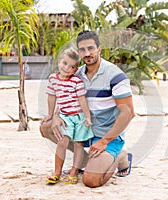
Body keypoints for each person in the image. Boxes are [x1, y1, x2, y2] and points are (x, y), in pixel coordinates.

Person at [40, 30, 135, 188]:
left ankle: (120, 156)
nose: (87, 53)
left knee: (91, 181)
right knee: (46, 127)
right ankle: (86, 161)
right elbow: (65, 99)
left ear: (99, 49)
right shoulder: (75, 74)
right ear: (78, 52)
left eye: (91, 48)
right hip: (82, 130)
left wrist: (104, 141)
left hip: (105, 135)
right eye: (82, 50)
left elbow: (129, 113)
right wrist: (56, 116)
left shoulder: (115, 75)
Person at [43, 48, 94, 184]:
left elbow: (82, 99)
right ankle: (57, 171)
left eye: (71, 66)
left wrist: (88, 117)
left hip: (80, 116)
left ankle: (74, 171)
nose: (67, 68)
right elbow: (51, 97)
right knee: (62, 141)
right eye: (65, 63)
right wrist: (50, 114)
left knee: (78, 144)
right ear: (59, 62)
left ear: (75, 69)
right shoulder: (53, 79)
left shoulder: (76, 81)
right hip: (65, 116)